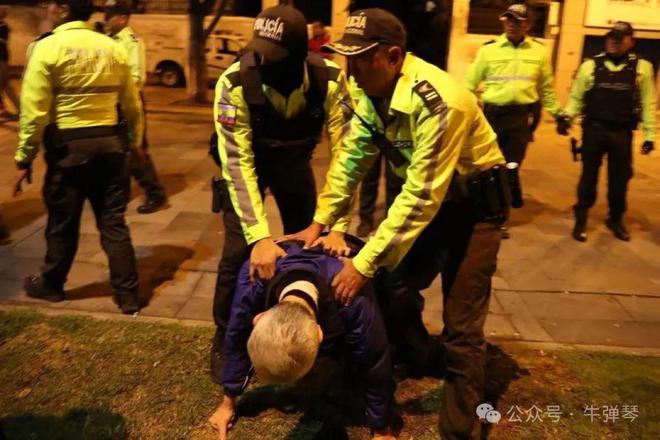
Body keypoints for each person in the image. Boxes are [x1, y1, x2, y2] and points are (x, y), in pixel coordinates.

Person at [289, 8, 509, 439]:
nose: (350, 71)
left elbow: (421, 196)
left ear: (392, 57)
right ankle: (420, 355)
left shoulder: (441, 101)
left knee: (462, 326)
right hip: (429, 206)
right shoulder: (371, 93)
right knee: (394, 287)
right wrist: (319, 222)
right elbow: (351, 161)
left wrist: (363, 263)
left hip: (473, 214)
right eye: (346, 59)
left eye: (360, 59)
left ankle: (460, 429)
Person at [211, 5, 354, 380]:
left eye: (272, 55)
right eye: (258, 50)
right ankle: (226, 335)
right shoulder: (234, 82)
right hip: (250, 168)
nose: (261, 60)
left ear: (298, 55)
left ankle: (308, 331)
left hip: (294, 164)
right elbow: (237, 165)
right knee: (236, 254)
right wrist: (258, 237)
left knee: (311, 248)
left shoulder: (330, 80)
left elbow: (347, 156)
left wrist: (337, 225)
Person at [14, 0, 144, 314]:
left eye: (50, 4)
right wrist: (135, 142)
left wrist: (25, 157)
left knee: (63, 222)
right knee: (113, 223)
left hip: (69, 151)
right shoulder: (113, 47)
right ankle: (128, 295)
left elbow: (34, 113)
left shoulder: (47, 48)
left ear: (63, 9)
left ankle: (52, 284)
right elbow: (131, 104)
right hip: (111, 148)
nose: (46, 9)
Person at [209, 240, 396, 439]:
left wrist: (381, 430)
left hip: (355, 256)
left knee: (376, 336)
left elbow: (374, 363)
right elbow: (237, 337)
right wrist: (228, 403)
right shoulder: (254, 273)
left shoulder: (352, 297)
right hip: (304, 260)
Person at [466, 3, 569, 209]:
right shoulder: (488, 50)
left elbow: (546, 89)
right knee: (490, 163)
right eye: (508, 20)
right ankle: (492, 203)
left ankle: (506, 198)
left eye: (518, 21)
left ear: (527, 25)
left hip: (520, 117)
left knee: (513, 163)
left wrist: (559, 114)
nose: (511, 25)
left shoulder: (539, 53)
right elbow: (468, 85)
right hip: (493, 116)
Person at [564, 21, 656, 242]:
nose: (614, 42)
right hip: (594, 131)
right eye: (611, 37)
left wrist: (650, 135)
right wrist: (566, 117)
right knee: (588, 178)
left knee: (620, 179)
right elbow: (576, 97)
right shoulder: (590, 66)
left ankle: (615, 218)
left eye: (620, 38)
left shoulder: (643, 68)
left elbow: (648, 103)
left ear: (631, 41)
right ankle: (581, 217)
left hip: (621, 133)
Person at [104, 0, 168, 214]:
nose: (106, 20)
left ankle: (156, 194)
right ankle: (120, 196)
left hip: (127, 101)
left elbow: (136, 78)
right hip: (112, 101)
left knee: (136, 148)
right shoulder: (108, 39)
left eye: (110, 16)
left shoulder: (131, 42)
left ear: (123, 19)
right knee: (119, 150)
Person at [356, 153, 403, 236]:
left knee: (394, 180)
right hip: (372, 144)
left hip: (395, 146)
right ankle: (365, 219)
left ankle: (391, 220)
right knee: (369, 176)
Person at [0, 6, 20, 120]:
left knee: (5, 84)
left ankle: (20, 110)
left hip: (1, 58)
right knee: (5, 85)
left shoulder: (3, 27)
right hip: (2, 57)